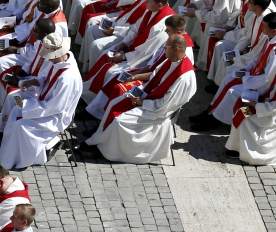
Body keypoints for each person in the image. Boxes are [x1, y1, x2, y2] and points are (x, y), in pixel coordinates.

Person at [81, 35, 195, 163]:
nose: (164, 49)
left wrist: (143, 102)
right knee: (115, 102)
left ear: (177, 49)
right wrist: (135, 78)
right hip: (150, 97)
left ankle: (108, 151)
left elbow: (165, 105)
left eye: (166, 46)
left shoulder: (184, 78)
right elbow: (154, 75)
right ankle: (101, 136)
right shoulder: (171, 60)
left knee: (120, 121)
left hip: (157, 111)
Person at [0, 34, 81, 169]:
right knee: (14, 106)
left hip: (56, 115)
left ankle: (26, 157)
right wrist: (32, 81)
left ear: (55, 54)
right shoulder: (59, 60)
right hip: (43, 101)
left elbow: (55, 107)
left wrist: (26, 106)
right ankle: (9, 149)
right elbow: (44, 78)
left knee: (21, 126)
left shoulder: (68, 78)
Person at [225, 35, 276, 165]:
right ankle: (236, 145)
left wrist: (256, 105)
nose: (275, 52)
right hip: (273, 102)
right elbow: (272, 82)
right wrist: (256, 94)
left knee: (245, 116)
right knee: (241, 105)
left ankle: (245, 150)